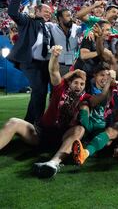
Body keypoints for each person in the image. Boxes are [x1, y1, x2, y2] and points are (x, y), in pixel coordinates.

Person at [0, 45, 88, 178]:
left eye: (82, 84)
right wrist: (54, 56)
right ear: (69, 83)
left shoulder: (86, 98)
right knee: (13, 122)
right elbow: (53, 71)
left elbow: (100, 99)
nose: (78, 86)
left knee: (80, 129)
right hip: (41, 134)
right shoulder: (60, 88)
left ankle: (53, 163)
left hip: (62, 138)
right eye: (76, 82)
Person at [7, 0, 53, 124]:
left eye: (50, 13)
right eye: (45, 11)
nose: (48, 14)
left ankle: (29, 121)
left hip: (44, 64)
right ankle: (37, 123)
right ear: (37, 11)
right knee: (39, 90)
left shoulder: (48, 27)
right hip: (30, 63)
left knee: (40, 92)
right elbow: (12, 12)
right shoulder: (28, 21)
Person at [48, 8, 82, 75]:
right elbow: (40, 24)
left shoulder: (76, 28)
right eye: (68, 16)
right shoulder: (52, 27)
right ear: (60, 19)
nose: (71, 18)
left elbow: (87, 28)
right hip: (58, 66)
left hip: (73, 65)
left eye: (71, 15)